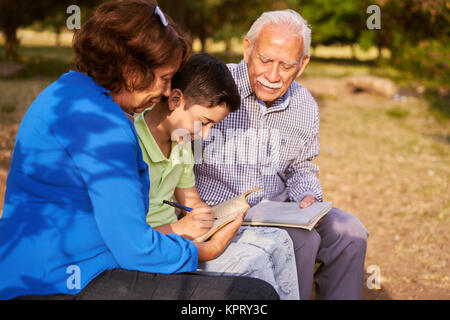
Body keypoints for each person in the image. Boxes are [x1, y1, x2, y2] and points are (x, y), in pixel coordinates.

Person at [0, 0, 279, 300]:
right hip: (59, 282)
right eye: (164, 79)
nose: (164, 91)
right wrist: (206, 249)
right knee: (251, 296)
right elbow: (136, 248)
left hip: (57, 267)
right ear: (132, 69)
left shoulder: (68, 92)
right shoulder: (100, 123)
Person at [193, 9, 369, 300]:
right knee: (301, 239)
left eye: (286, 65)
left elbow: (300, 166)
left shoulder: (304, 104)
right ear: (248, 48)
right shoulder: (211, 84)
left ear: (302, 64)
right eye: (265, 60)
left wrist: (308, 197)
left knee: (350, 232)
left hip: (278, 208)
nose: (273, 76)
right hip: (218, 212)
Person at [134, 52, 299, 299]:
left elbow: (190, 201)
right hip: (155, 247)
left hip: (183, 235)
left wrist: (211, 216)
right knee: (253, 263)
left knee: (279, 240)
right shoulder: (130, 144)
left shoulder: (180, 142)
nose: (205, 135)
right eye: (204, 122)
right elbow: (129, 236)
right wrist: (180, 227)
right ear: (175, 99)